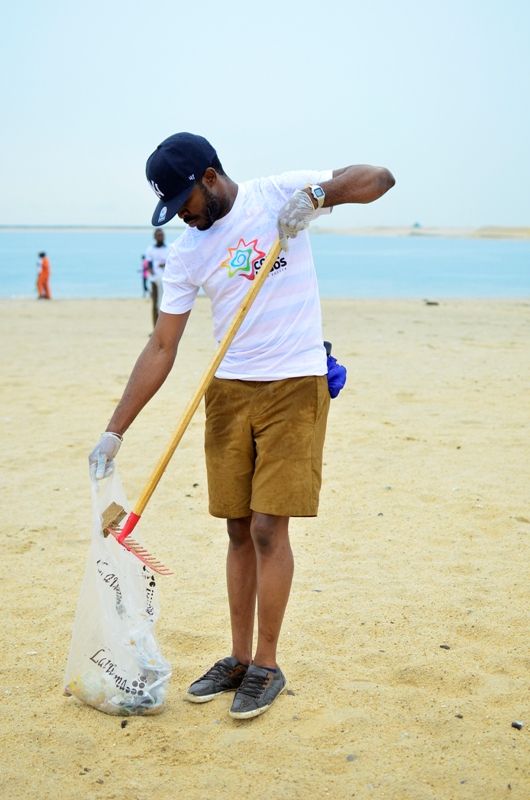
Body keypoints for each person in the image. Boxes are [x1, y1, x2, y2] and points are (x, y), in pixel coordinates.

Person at [89, 132, 395, 719]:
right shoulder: (187, 253)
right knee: (235, 529)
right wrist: (115, 429)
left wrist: (316, 196)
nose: (183, 215)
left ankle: (267, 663)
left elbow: (379, 178)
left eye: (186, 200)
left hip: (294, 387)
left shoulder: (274, 196)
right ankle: (236, 658)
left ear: (209, 176)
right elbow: (162, 344)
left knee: (265, 529)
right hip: (227, 393)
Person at [144, 228, 169, 326]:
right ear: (155, 237)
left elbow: (172, 262)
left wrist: (165, 265)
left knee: (166, 304)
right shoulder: (150, 249)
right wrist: (151, 270)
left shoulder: (169, 248)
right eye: (158, 235)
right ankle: (155, 328)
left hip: (167, 280)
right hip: (155, 280)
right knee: (155, 304)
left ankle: (165, 327)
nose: (160, 237)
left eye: (162, 235)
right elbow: (149, 263)